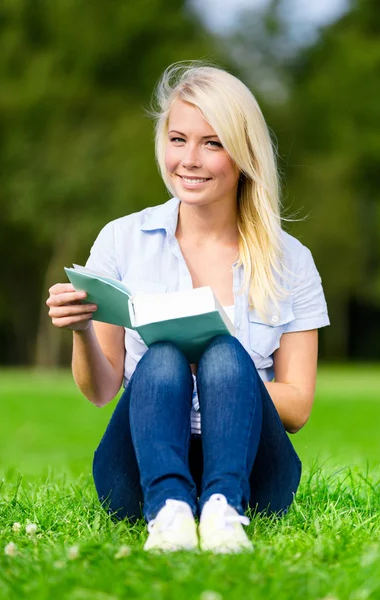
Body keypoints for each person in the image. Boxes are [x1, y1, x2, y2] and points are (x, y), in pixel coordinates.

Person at [46, 62, 330, 554]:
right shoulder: (121, 240)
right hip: (138, 468)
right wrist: (81, 330)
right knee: (162, 358)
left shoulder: (292, 260)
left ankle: (224, 508)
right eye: (178, 139)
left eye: (212, 143)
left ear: (243, 155)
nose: (190, 159)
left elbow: (298, 408)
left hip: (254, 472)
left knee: (223, 353)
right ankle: (168, 512)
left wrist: (223, 373)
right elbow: (101, 390)